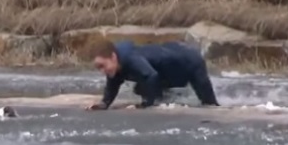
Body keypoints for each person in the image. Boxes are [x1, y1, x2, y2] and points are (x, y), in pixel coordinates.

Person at [84, 39, 220, 110]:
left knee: (209, 105)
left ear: (113, 57)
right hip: (169, 68)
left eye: (103, 66)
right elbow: (112, 84)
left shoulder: (130, 59)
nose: (102, 71)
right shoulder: (117, 65)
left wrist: (145, 105)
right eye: (98, 68)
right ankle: (167, 100)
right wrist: (104, 104)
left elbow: (151, 76)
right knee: (140, 88)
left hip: (191, 63)